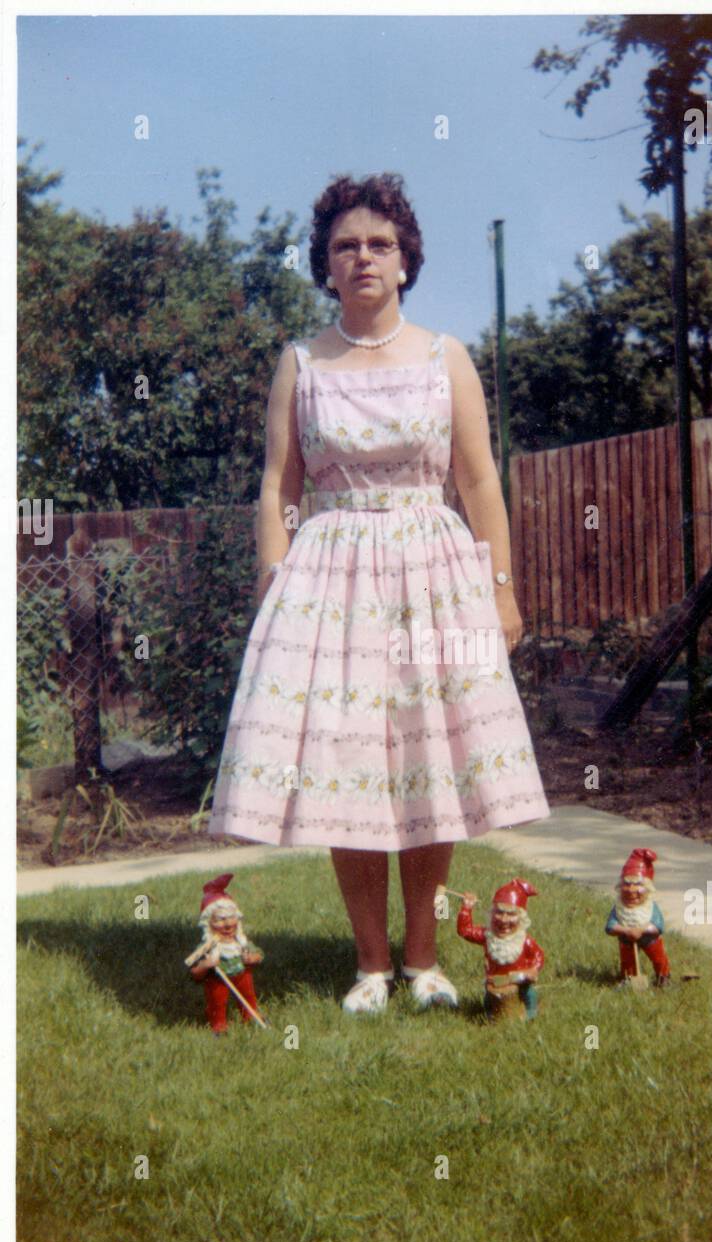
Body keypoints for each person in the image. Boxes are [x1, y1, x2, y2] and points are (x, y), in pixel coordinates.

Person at [208, 172, 550, 1015]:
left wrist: (500, 592)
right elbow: (276, 485)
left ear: (405, 262)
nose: (362, 258)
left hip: (433, 573)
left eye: (379, 245)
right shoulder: (300, 363)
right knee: (350, 768)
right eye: (344, 247)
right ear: (325, 266)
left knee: (430, 762)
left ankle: (425, 962)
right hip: (332, 578)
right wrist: (271, 581)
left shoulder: (446, 358)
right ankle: (369, 964)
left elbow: (478, 482)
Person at [187, 874, 265, 1034]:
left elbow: (259, 955)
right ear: (208, 922)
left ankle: (250, 1016)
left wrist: (253, 958)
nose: (228, 924)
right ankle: (219, 1024)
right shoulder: (206, 946)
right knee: (217, 1001)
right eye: (220, 919)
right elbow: (193, 970)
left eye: (231, 918)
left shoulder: (241, 941)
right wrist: (205, 965)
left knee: (248, 996)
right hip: (218, 979)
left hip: (242, 975)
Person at [455, 880, 544, 1019]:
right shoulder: (488, 936)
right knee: (489, 998)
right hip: (495, 980)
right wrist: (466, 909)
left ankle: (531, 1012)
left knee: (529, 993)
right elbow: (465, 931)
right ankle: (490, 1013)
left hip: (519, 980)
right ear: (492, 914)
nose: (504, 920)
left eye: (511, 915)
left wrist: (533, 970)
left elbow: (538, 956)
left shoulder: (524, 940)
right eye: (499, 913)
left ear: (521, 918)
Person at [605, 848, 671, 987]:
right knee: (628, 961)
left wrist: (641, 930)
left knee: (659, 958)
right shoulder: (619, 908)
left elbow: (658, 926)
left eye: (638, 885)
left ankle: (663, 977)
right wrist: (626, 931)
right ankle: (628, 979)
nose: (631, 890)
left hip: (649, 939)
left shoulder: (651, 907)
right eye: (627, 884)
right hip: (626, 939)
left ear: (647, 888)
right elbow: (610, 927)